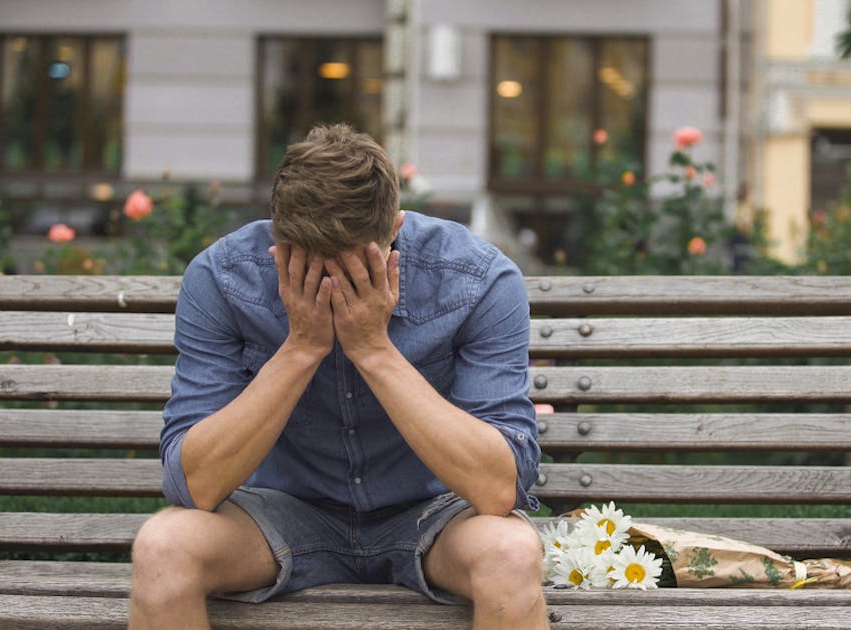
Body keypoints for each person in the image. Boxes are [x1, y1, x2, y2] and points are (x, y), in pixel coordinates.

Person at [128, 123, 548, 629]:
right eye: (305, 262)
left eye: (350, 266)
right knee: (162, 548)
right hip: (278, 514)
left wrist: (374, 349)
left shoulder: (477, 280)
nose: (328, 284)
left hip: (434, 516)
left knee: (512, 553)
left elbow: (499, 488)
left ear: (394, 228)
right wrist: (301, 348)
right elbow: (193, 485)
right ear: (275, 234)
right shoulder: (221, 278)